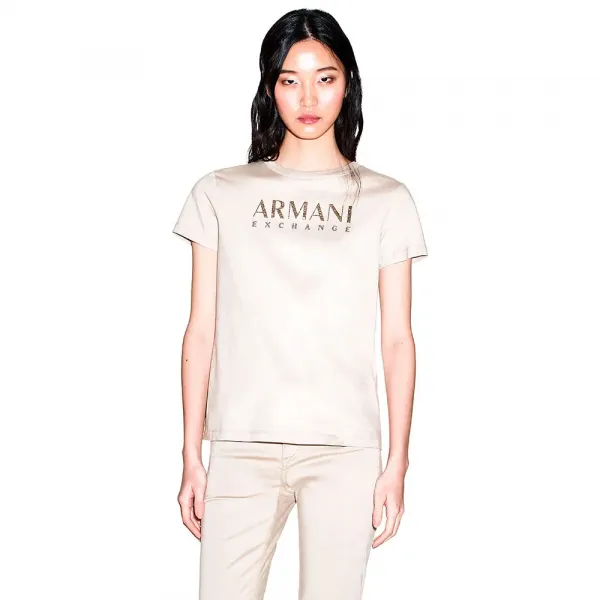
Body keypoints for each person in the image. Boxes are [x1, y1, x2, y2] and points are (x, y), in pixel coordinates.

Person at [172, 8, 428, 600]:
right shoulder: (220, 192)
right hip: (241, 444)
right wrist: (190, 454)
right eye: (290, 80)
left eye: (325, 78)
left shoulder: (387, 200)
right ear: (270, 87)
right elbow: (201, 330)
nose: (308, 98)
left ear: (348, 84)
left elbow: (397, 339)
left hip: (344, 450)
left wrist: (397, 462)